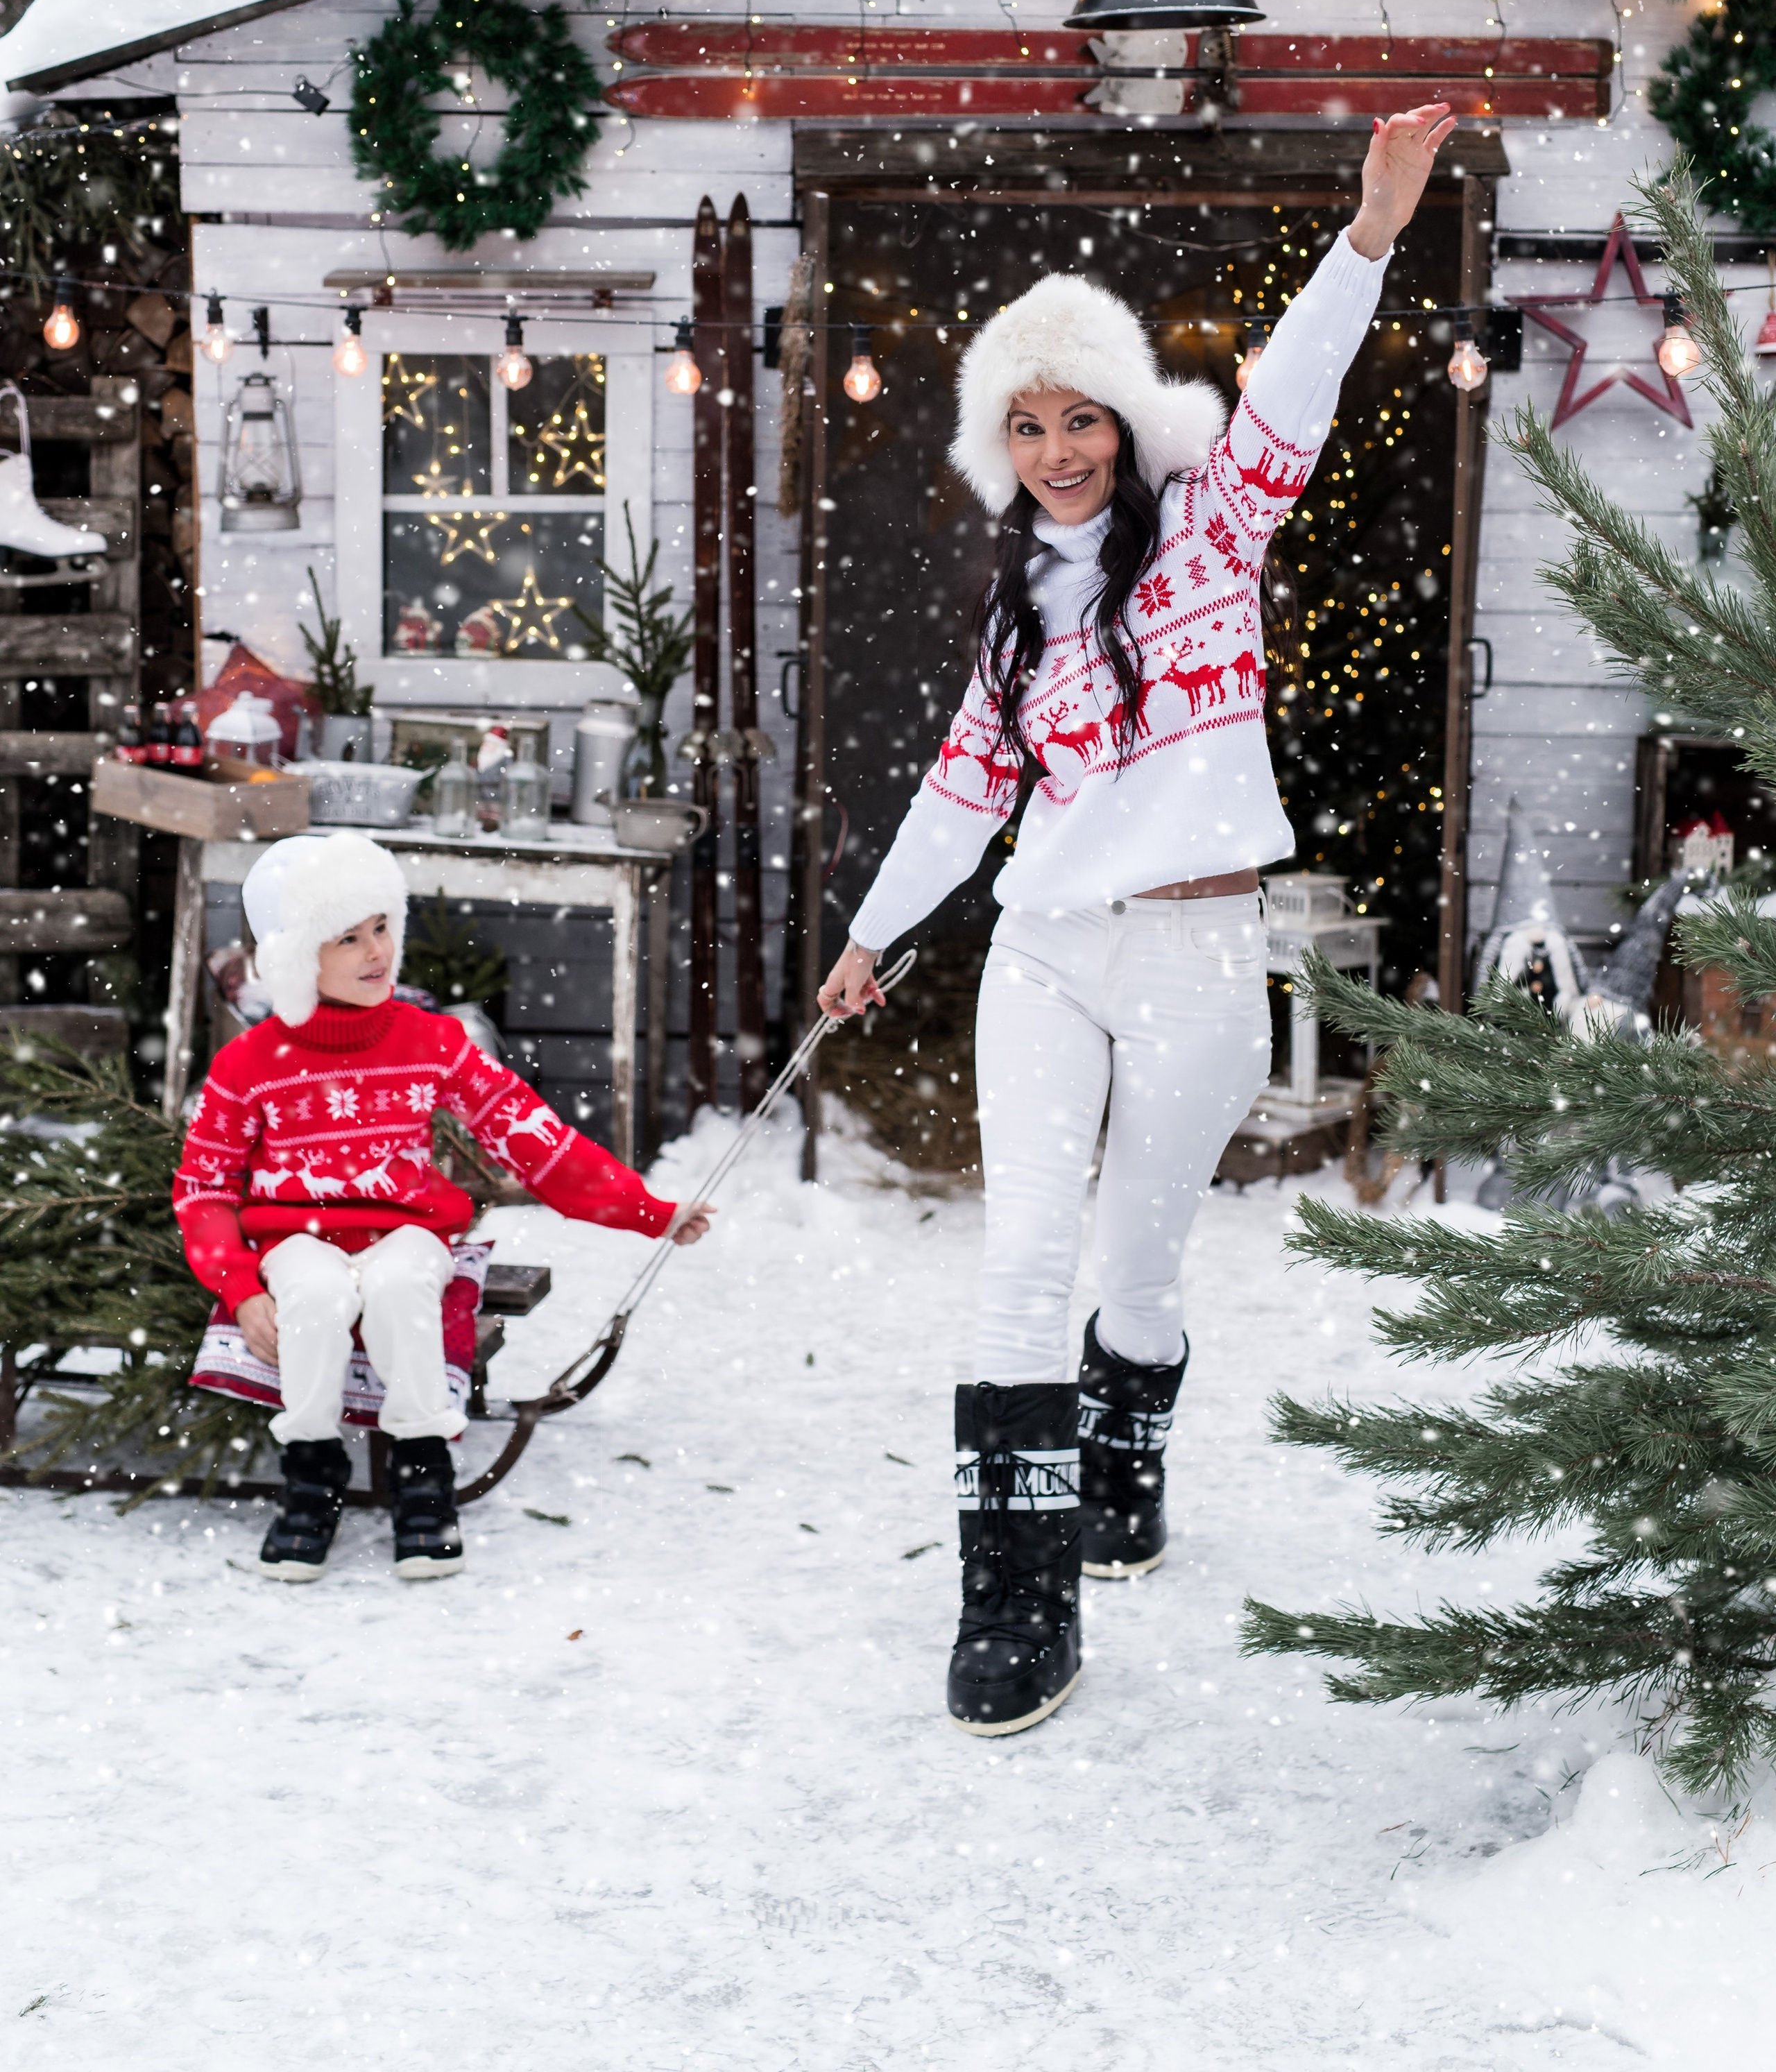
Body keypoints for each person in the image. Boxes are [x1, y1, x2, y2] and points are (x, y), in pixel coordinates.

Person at [819, 103, 1458, 1735]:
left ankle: (1124, 1460)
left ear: (1119, 413)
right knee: (1022, 1258)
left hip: (1191, 951)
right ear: (997, 442)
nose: (1055, 447)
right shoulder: (1013, 609)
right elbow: (964, 792)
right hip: (1042, 951)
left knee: (1135, 1265)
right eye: (1022, 422)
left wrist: (1368, 230)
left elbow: (1289, 399)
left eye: (1075, 412)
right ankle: (1012, 1605)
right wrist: (874, 934)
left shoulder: (1213, 532)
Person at [173, 830, 710, 1582]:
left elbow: (534, 1138)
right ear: (300, 956)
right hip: (298, 1236)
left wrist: (647, 1209)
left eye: (382, 927)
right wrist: (239, 1287)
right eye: (348, 937)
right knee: (317, 1294)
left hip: (406, 1229)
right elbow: (203, 1189)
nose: (375, 951)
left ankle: (423, 1474)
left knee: (399, 1287)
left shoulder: (430, 1040)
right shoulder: (249, 1064)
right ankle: (311, 1474)